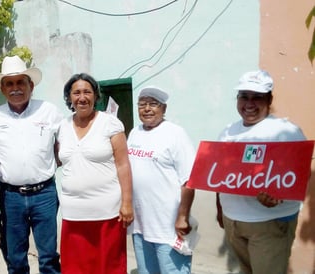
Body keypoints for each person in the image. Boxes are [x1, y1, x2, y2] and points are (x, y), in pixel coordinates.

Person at [215, 70, 307, 274]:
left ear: (269, 99)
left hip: (269, 223)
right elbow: (218, 175)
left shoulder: (287, 132)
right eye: (244, 96)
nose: (249, 103)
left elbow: (300, 176)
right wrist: (220, 210)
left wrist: (279, 196)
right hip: (233, 221)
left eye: (257, 97)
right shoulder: (228, 132)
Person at [0, 55, 62, 274]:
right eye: (9, 83)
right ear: (2, 88)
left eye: (21, 82)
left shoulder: (49, 111)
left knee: (48, 256)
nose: (15, 88)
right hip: (11, 197)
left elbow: (63, 143)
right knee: (16, 258)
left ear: (31, 85)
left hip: (45, 194)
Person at [57, 73, 134, 273]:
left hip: (107, 213)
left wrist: (127, 203)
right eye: (76, 92)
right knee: (76, 267)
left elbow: (123, 165)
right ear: (69, 98)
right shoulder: (62, 127)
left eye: (87, 92)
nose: (82, 97)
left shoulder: (110, 124)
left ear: (95, 96)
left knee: (108, 266)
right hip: (73, 214)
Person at [127, 86, 196, 274]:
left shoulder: (176, 134)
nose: (147, 109)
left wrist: (182, 217)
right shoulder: (135, 133)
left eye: (153, 104)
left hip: (168, 226)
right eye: (142, 104)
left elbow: (189, 180)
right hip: (141, 226)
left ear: (163, 109)